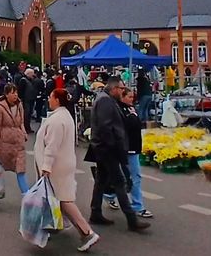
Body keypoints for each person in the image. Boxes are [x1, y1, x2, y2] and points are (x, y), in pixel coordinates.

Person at [34, 88, 100, 252]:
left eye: (51, 97)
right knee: (58, 198)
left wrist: (46, 167)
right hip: (63, 163)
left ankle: (87, 232)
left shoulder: (57, 120)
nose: (49, 100)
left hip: (57, 166)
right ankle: (54, 226)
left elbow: (52, 146)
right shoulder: (64, 116)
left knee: (64, 200)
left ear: (57, 99)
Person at [89, 76, 150, 231]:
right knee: (120, 183)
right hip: (107, 149)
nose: (123, 91)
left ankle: (95, 212)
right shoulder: (105, 101)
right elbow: (105, 127)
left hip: (103, 147)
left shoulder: (106, 99)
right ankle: (131, 220)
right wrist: (114, 147)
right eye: (122, 89)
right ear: (114, 88)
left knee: (101, 181)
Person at [103, 88, 153, 219]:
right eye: (129, 97)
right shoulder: (120, 110)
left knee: (124, 177)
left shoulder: (131, 109)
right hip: (127, 148)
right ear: (122, 97)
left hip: (134, 147)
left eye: (133, 97)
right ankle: (137, 206)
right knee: (135, 177)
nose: (132, 99)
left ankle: (108, 195)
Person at [0, 83, 29, 206]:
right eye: (12, 93)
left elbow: (21, 121)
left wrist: (23, 132)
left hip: (18, 143)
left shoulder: (19, 105)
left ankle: (26, 195)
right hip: (4, 144)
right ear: (6, 94)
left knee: (20, 169)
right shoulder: (0, 108)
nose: (15, 95)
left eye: (16, 92)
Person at [18, 68, 37, 133]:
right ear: (28, 74)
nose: (33, 75)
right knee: (26, 114)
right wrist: (21, 99)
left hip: (30, 99)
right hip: (26, 100)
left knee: (29, 114)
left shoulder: (30, 80)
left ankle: (28, 127)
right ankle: (26, 128)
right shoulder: (23, 80)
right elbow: (20, 91)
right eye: (32, 74)